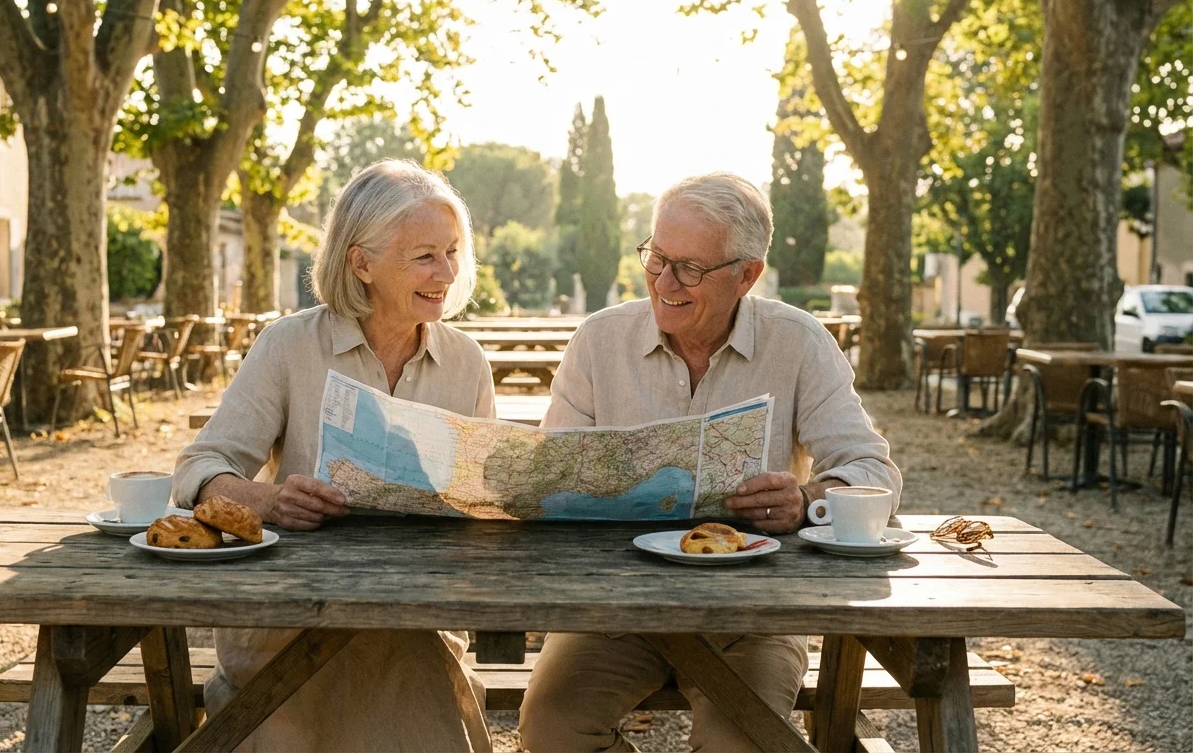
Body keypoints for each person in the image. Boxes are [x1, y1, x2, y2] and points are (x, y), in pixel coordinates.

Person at [518, 172, 902, 752]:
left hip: (753, 617)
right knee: (552, 731)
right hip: (612, 607)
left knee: (740, 745)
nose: (664, 282)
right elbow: (549, 479)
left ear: (746, 275)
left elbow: (874, 472)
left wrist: (805, 501)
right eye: (656, 258)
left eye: (690, 269)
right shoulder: (599, 340)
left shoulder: (797, 341)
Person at [171, 159, 495, 752]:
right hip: (292, 618)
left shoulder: (467, 361)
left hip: (413, 625)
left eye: (452, 251)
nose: (446, 271)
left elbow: (485, 498)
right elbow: (199, 471)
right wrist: (269, 500)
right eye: (424, 255)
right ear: (361, 263)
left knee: (426, 720)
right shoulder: (288, 344)